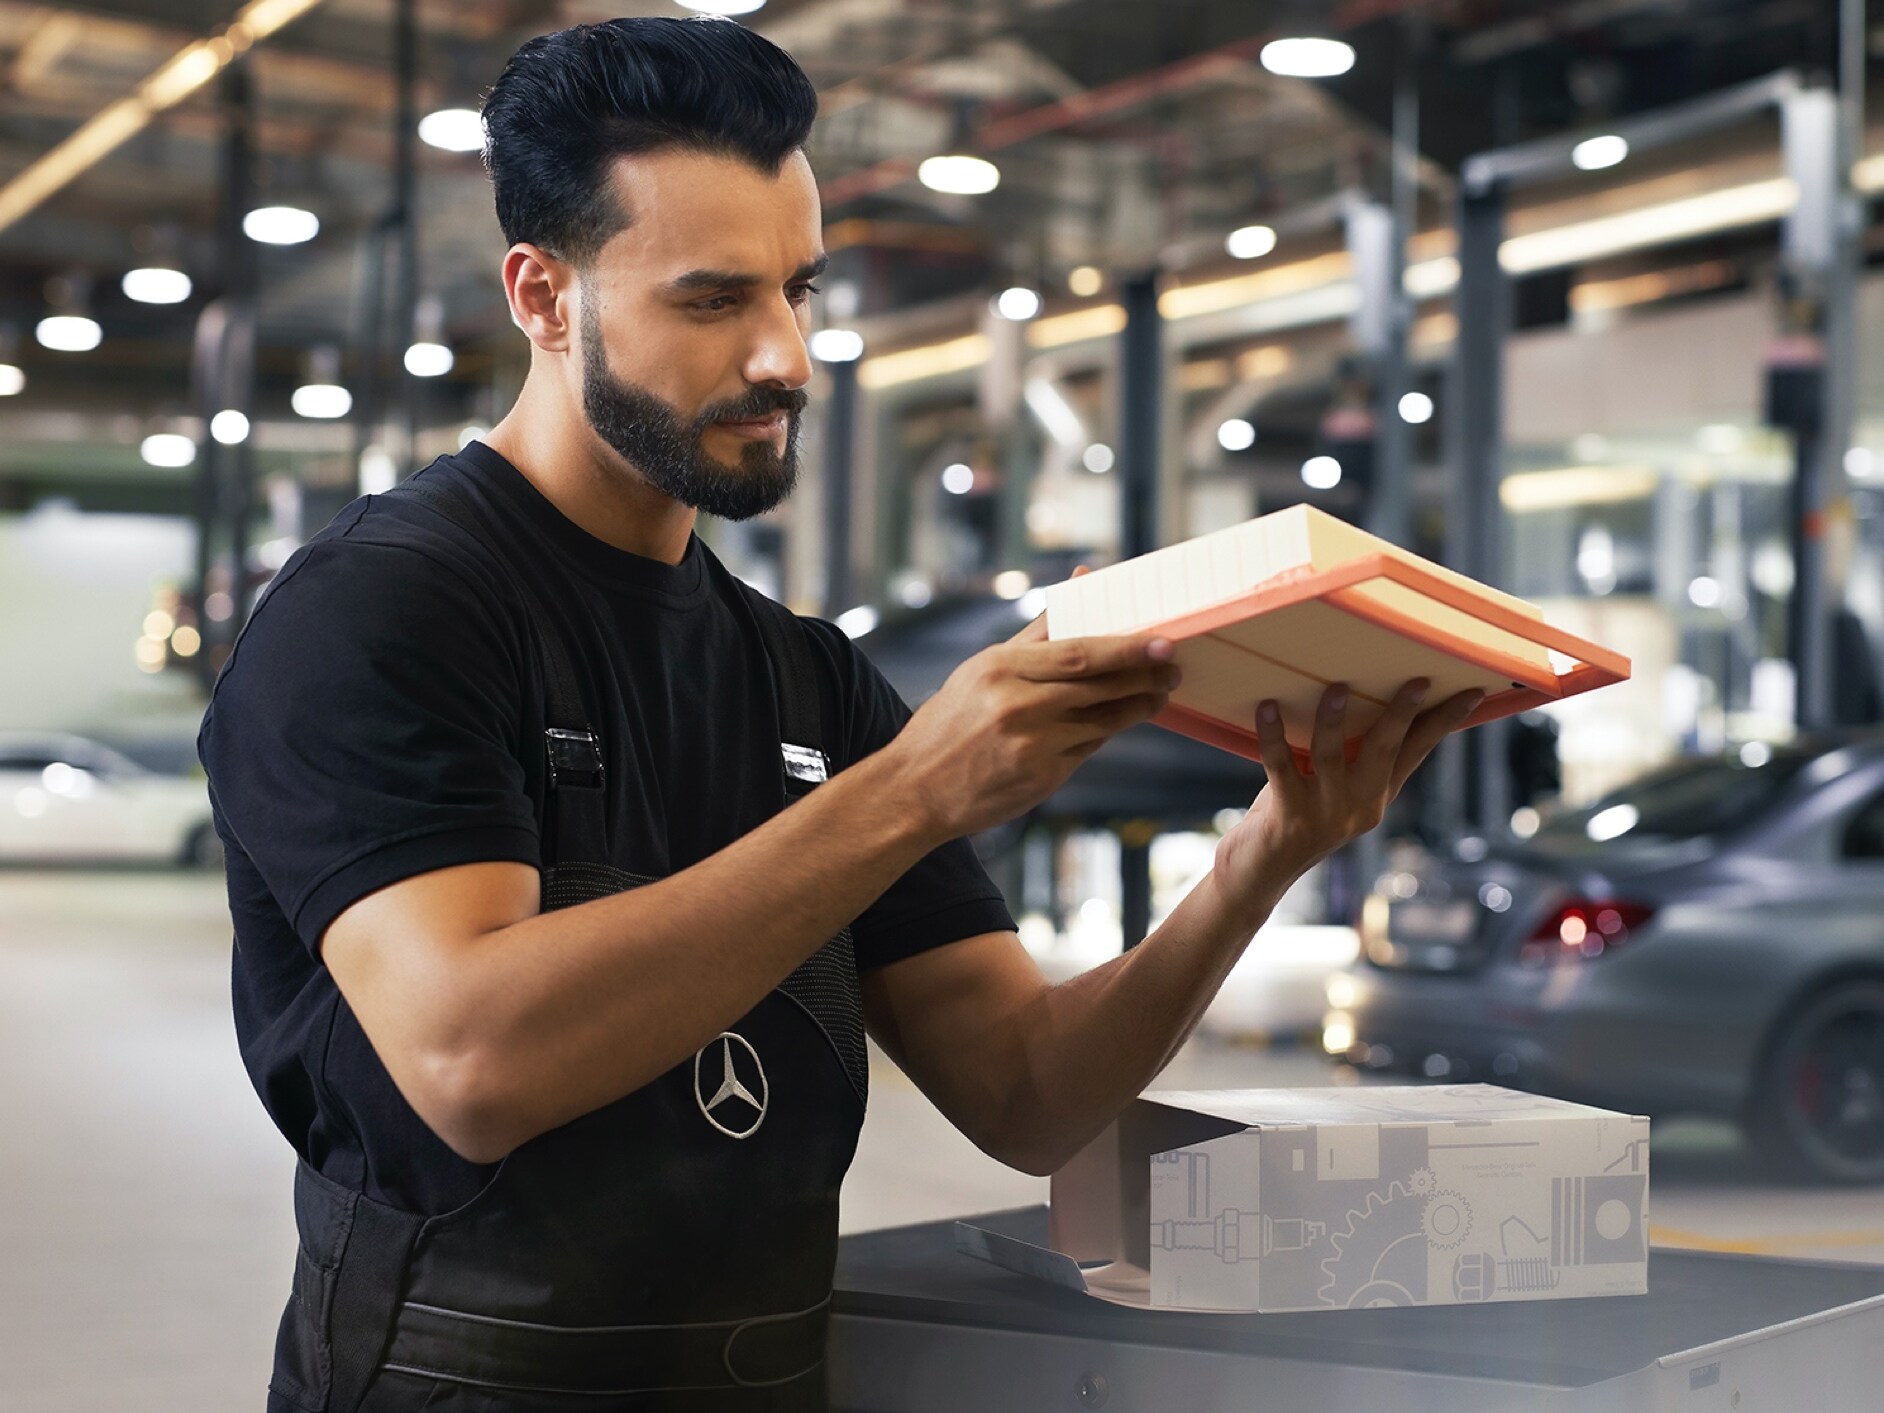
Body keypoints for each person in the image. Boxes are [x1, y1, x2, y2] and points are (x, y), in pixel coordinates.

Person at [198, 16, 1481, 1413]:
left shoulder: (805, 678)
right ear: (542, 295)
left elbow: (1029, 1092)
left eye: (799, 289)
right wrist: (913, 790)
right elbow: (472, 1056)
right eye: (712, 300)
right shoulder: (384, 612)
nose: (786, 357)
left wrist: (1269, 851)